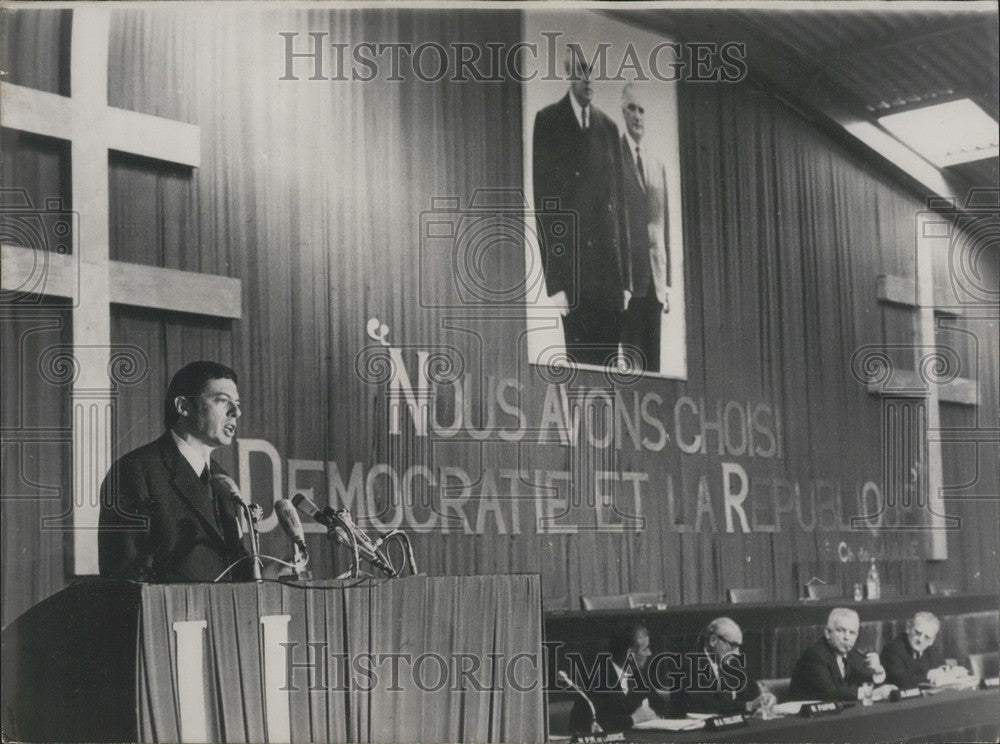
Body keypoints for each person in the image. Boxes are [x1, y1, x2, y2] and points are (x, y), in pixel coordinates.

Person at [99, 360, 251, 582]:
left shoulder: (221, 479)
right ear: (183, 406)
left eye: (236, 403)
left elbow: (234, 564)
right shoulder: (136, 470)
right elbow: (125, 577)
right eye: (222, 400)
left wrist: (268, 572)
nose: (236, 411)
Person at [532, 46, 631, 368]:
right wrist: (556, 283)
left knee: (608, 375)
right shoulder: (548, 121)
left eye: (592, 72)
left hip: (609, 281)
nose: (588, 79)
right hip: (573, 279)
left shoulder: (610, 129)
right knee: (580, 373)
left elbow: (621, 208)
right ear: (568, 73)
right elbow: (545, 207)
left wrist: (625, 280)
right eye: (580, 71)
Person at [619, 83, 669, 373]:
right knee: (632, 370)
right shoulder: (615, 155)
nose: (637, 116)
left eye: (642, 110)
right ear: (622, 112)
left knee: (655, 368)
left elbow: (665, 221)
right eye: (632, 109)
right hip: (629, 281)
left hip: (656, 280)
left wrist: (669, 284)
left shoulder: (658, 163)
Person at [568, 622, 668, 733]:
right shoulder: (596, 682)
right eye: (645, 649)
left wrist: (656, 717)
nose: (649, 653)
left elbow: (658, 706)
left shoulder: (640, 676)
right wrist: (633, 719)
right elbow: (588, 725)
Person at [672, 617, 776, 716]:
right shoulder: (688, 664)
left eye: (738, 647)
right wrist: (748, 706)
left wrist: (764, 698)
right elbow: (704, 705)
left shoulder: (733, 663)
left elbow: (751, 692)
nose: (737, 653)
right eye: (732, 645)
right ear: (713, 640)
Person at [790, 608, 896, 702]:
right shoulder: (815, 655)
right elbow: (830, 692)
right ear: (827, 632)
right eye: (841, 631)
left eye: (852, 633)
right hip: (804, 718)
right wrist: (870, 693)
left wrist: (878, 671)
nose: (847, 637)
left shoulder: (853, 654)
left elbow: (865, 678)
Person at [880, 611, 947, 688]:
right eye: (917, 633)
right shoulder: (892, 650)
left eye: (927, 637)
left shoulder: (932, 651)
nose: (920, 640)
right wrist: (930, 676)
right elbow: (902, 681)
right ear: (908, 628)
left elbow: (942, 668)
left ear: (932, 640)